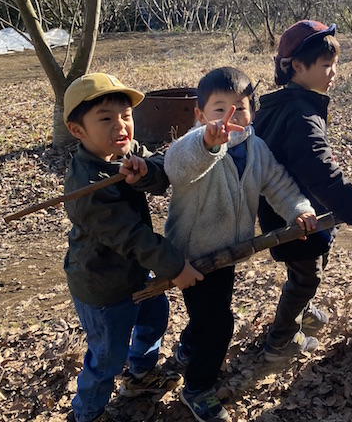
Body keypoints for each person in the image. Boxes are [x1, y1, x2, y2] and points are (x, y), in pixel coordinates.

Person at [164, 66, 317, 422]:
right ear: (200, 115)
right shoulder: (194, 145)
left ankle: (189, 348)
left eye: (242, 107)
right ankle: (198, 388)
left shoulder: (256, 147)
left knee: (209, 312)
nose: (232, 117)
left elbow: (277, 183)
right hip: (194, 255)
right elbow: (177, 165)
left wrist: (299, 209)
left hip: (228, 252)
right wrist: (206, 143)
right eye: (220, 109)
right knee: (219, 323)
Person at [63, 73, 202, 422]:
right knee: (108, 356)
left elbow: (160, 170)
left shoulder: (124, 150)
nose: (121, 125)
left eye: (126, 115)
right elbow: (131, 236)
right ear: (78, 130)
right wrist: (175, 266)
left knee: (153, 321)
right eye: (106, 119)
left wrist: (146, 170)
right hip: (103, 286)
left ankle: (140, 375)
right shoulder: (87, 185)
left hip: (138, 273)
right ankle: (88, 413)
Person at [254, 20, 352, 363]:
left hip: (293, 209)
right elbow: (318, 169)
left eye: (334, 64)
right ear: (297, 67)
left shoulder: (281, 105)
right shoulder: (300, 113)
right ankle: (281, 340)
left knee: (307, 268)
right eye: (326, 65)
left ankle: (301, 310)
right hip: (296, 213)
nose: (333, 72)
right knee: (308, 274)